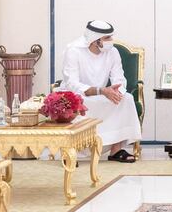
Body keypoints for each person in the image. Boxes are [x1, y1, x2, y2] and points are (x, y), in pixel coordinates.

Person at [60, 20, 142, 162]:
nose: (111, 41)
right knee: (76, 103)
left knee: (126, 98)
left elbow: (119, 79)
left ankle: (116, 150)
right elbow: (72, 84)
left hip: (103, 94)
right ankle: (71, 152)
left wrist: (117, 91)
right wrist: (101, 91)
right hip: (78, 96)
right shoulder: (73, 50)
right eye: (107, 38)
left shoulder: (113, 52)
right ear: (95, 40)